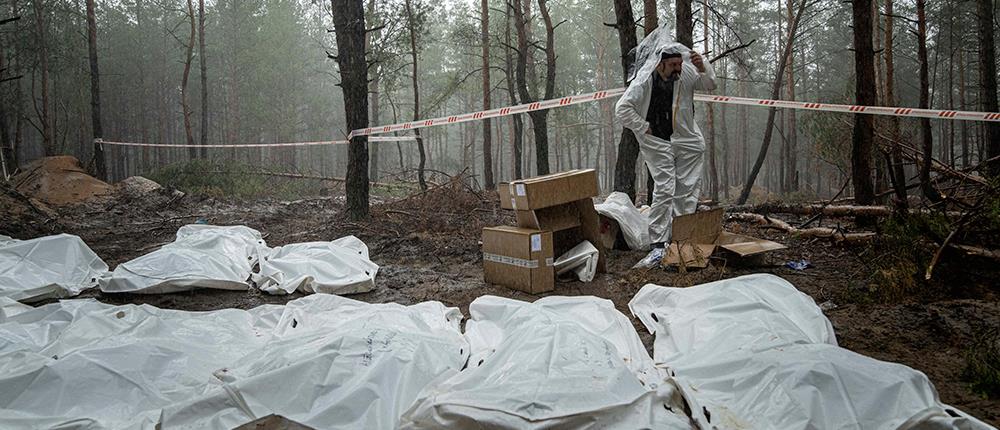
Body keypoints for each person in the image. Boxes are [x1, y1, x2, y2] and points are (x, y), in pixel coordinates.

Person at [615, 41, 716, 269]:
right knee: (665, 188)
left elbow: (710, 84)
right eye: (673, 65)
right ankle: (658, 245)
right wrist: (642, 126)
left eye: (680, 63)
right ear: (660, 64)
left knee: (686, 190)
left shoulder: (686, 73)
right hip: (656, 141)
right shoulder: (643, 81)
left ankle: (680, 241)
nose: (678, 69)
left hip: (685, 138)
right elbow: (622, 109)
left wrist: (703, 66)